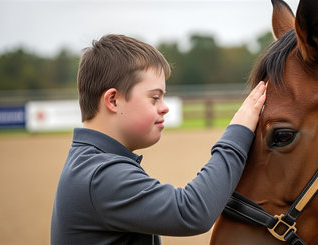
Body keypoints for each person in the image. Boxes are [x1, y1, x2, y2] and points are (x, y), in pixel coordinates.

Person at [50, 34, 266, 245]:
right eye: (155, 98)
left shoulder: (91, 163)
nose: (164, 107)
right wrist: (239, 129)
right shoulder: (99, 175)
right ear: (113, 100)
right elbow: (191, 211)